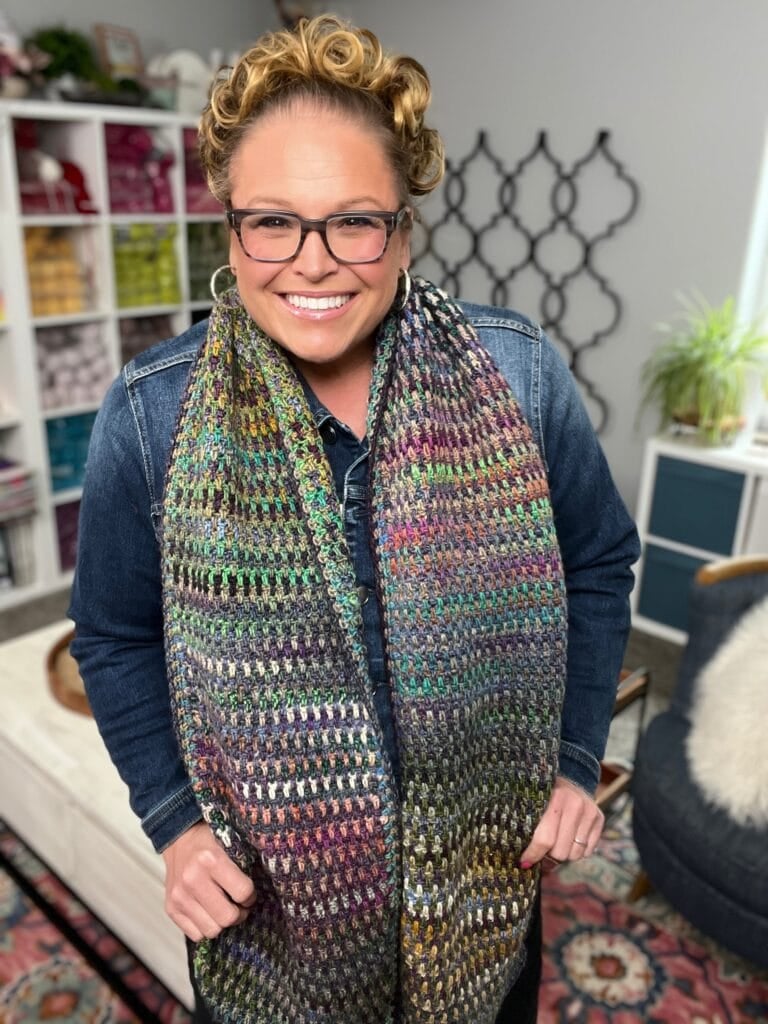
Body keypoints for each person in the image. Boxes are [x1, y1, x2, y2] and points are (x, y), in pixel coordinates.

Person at [69, 14, 640, 1024]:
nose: (314, 261)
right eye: (273, 221)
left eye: (355, 220)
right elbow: (115, 635)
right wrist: (171, 821)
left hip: (481, 892)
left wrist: (568, 757)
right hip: (275, 935)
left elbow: (597, 560)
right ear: (232, 228)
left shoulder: (517, 374)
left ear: (404, 229)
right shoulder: (152, 412)